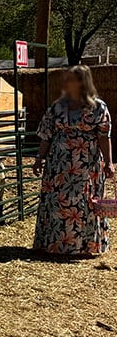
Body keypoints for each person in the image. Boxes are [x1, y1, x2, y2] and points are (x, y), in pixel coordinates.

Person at [32, 65, 113, 256]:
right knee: (57, 202)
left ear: (82, 82)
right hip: (58, 166)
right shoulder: (57, 107)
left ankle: (85, 246)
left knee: (86, 203)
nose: (65, 83)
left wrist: (109, 163)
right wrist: (39, 158)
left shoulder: (98, 107)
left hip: (87, 166)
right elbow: (46, 135)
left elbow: (104, 137)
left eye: (70, 79)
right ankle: (55, 245)